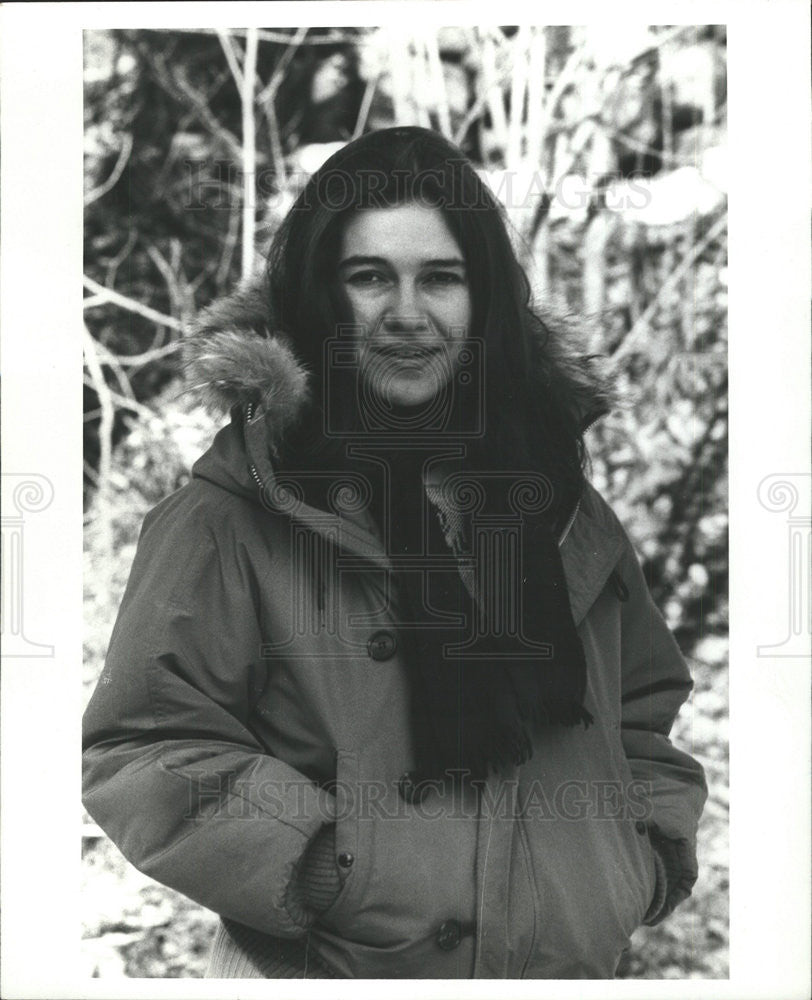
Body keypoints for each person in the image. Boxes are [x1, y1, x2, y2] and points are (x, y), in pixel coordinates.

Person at [82, 126, 707, 979]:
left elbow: (640, 709)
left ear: (483, 297)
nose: (407, 314)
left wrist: (640, 856)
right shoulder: (237, 511)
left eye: (441, 278)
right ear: (320, 294)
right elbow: (144, 744)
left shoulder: (556, 495)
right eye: (370, 276)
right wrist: (325, 865)